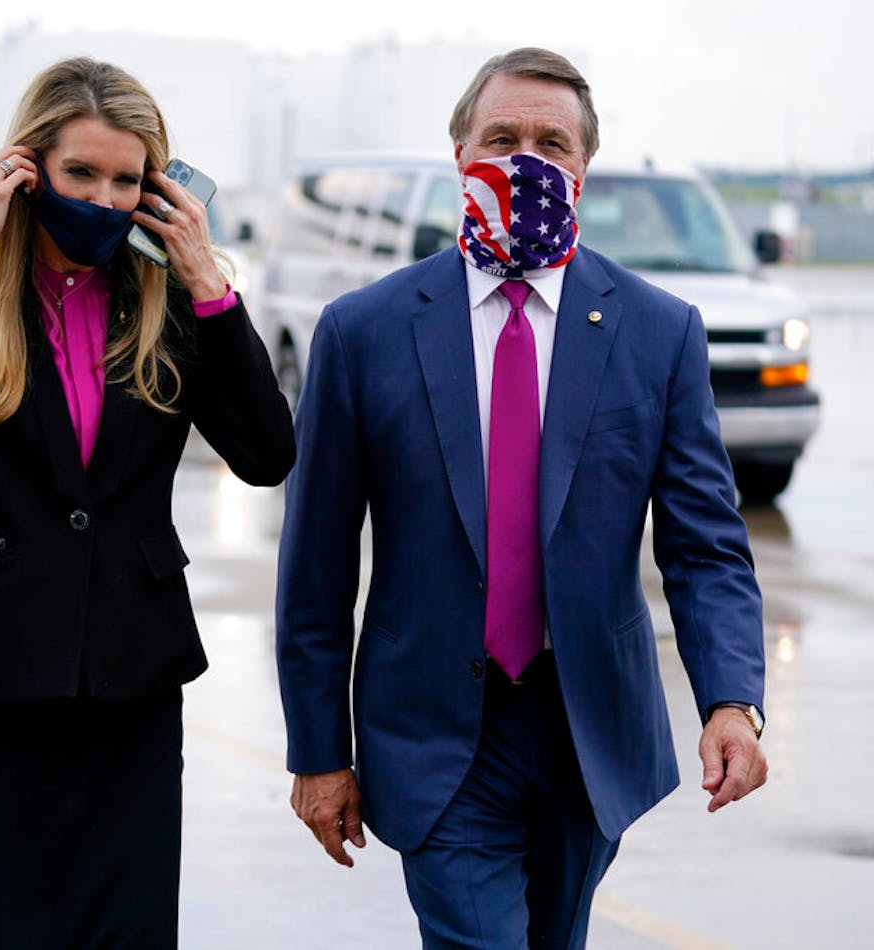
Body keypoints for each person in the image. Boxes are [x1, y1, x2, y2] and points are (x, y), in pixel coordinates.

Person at [276, 47, 768, 948]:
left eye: (552, 143)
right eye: (501, 137)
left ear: (583, 170)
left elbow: (705, 547)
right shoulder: (364, 332)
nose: (526, 159)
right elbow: (314, 569)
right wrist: (319, 753)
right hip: (431, 728)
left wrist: (731, 700)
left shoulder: (658, 332)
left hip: (590, 730)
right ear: (460, 154)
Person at [0, 57, 294, 947]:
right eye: (81, 174)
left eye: (127, 180)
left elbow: (266, 454)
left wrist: (210, 280)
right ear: (28, 169)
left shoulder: (174, 302)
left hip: (131, 678)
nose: (103, 198)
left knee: (126, 932)